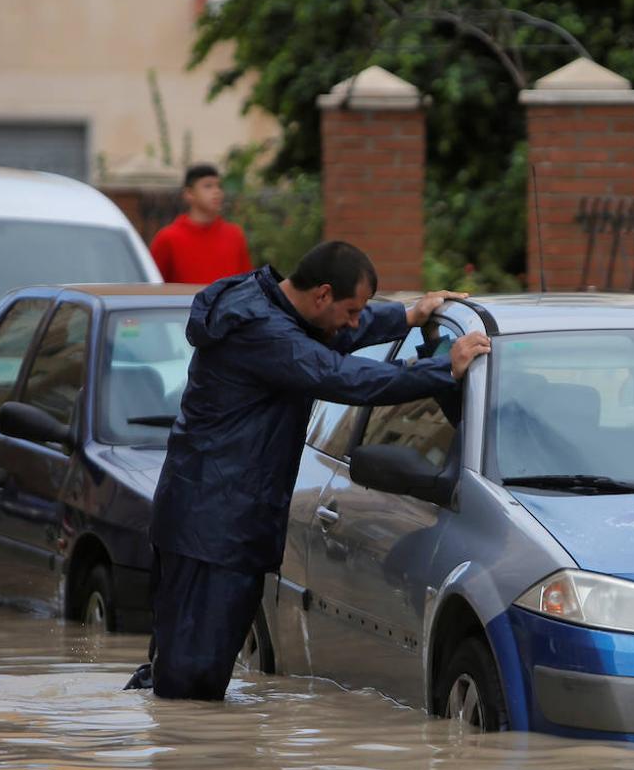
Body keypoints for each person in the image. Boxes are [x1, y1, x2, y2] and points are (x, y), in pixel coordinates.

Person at [127, 241, 490, 699]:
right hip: (213, 531)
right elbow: (341, 375)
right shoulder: (264, 333)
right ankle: (182, 763)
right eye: (352, 310)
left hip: (212, 523)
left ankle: (173, 752)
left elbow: (329, 338)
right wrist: (442, 371)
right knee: (191, 685)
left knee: (183, 676)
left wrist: (406, 316)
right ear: (321, 295)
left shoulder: (264, 307)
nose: (355, 322)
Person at [149, 163, 253, 284]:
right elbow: (154, 285)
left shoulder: (234, 235)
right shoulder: (168, 238)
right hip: (185, 303)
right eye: (208, 186)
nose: (217, 192)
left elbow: (247, 284)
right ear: (189, 194)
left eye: (219, 186)